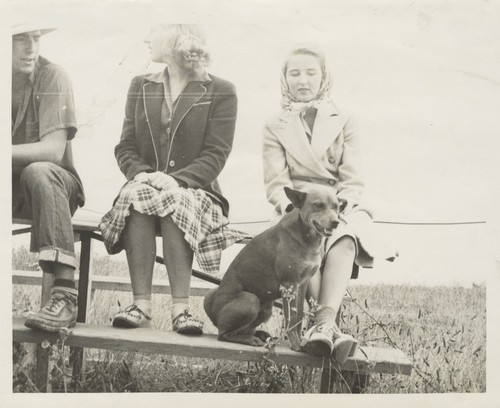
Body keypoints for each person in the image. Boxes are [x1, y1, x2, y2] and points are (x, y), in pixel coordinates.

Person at [99, 24, 246, 335]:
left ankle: (181, 309)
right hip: (147, 187)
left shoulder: (221, 90)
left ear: (179, 41)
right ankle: (141, 304)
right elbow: (125, 145)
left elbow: (216, 153)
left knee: (173, 199)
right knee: (138, 195)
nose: (146, 38)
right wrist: (140, 173)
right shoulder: (141, 84)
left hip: (197, 190)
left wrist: (178, 180)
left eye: (155, 33)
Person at [262, 44, 397, 358]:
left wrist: (342, 207)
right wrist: (294, 210)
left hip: (338, 205)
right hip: (296, 206)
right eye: (294, 74)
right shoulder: (274, 124)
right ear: (285, 78)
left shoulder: (345, 119)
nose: (303, 81)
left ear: (323, 77)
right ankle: (321, 326)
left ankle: (323, 323)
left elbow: (352, 177)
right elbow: (276, 181)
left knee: (344, 235)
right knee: (300, 237)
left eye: (311, 73)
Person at [12, 23, 85, 332]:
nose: (31, 47)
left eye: (36, 38)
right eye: (19, 39)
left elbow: (53, 151)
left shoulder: (52, 75)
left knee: (39, 170)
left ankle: (65, 293)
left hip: (54, 186)